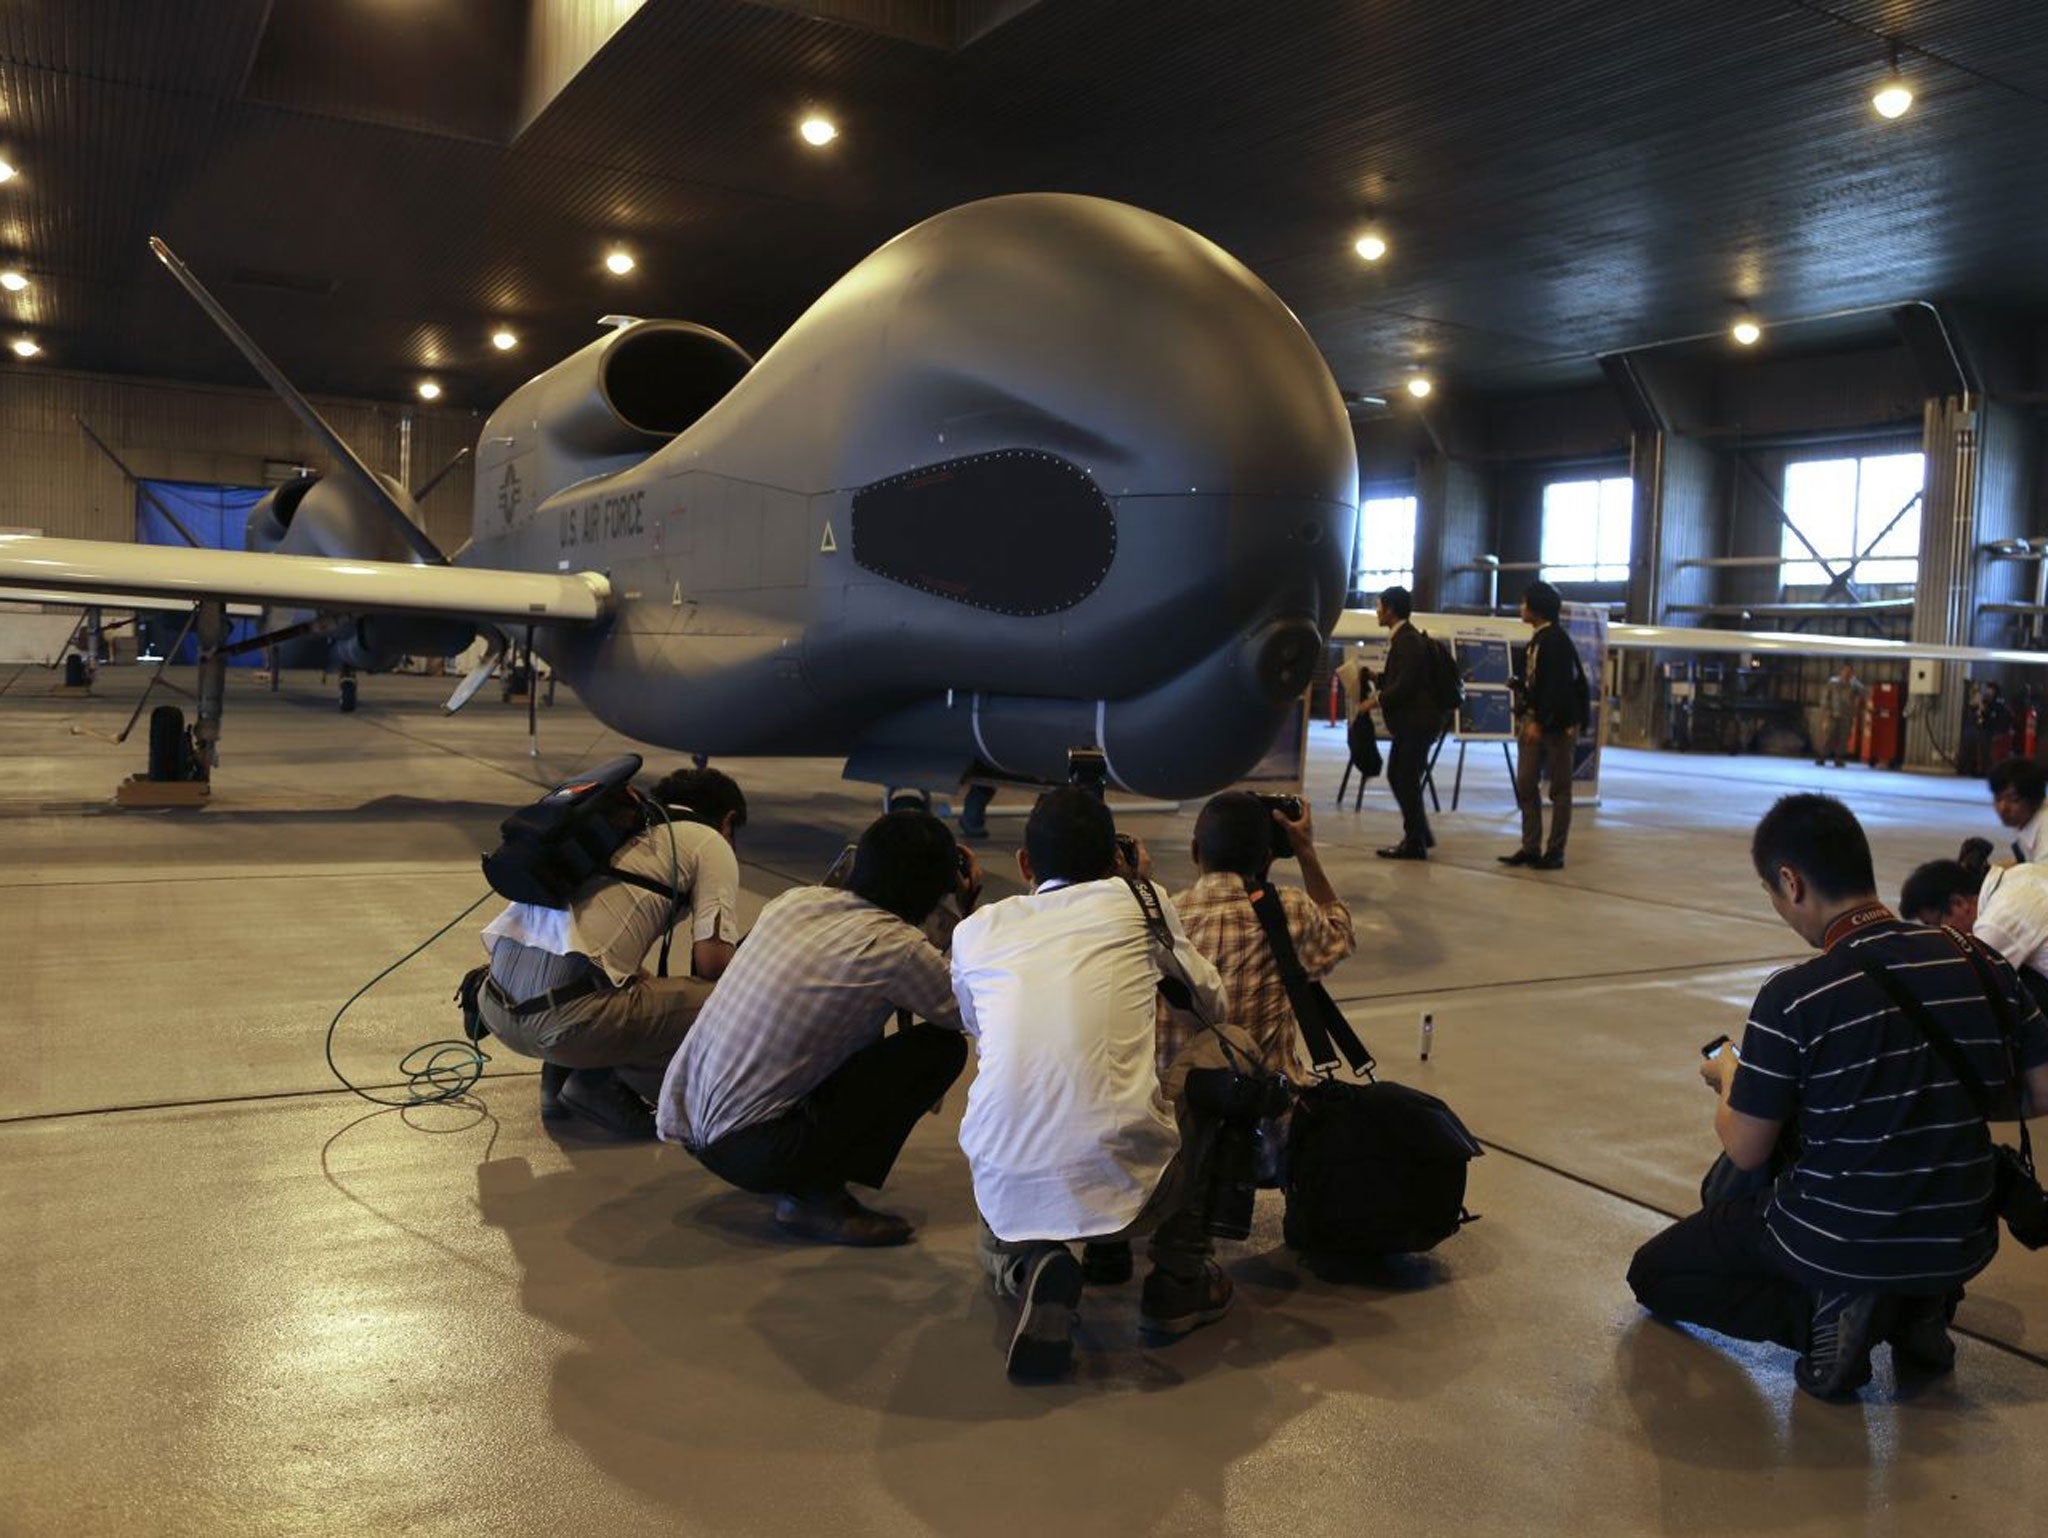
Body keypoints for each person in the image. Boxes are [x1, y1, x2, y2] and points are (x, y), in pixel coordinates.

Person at [1626, 794, 2048, 1399]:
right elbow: (2039, 1093)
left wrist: (1727, 1076)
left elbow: (1746, 1151)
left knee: (1655, 1272)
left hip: (1841, 1236)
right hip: (1962, 1234)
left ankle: (1842, 1312)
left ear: (1791, 882)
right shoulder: (1980, 961)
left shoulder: (1795, 995)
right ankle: (1922, 1303)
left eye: (1773, 895)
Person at [951, 787, 1234, 1381]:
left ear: (1026, 865)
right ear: (1115, 859)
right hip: (1137, 1194)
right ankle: (1179, 1277)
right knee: (1230, 1056)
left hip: (1004, 1184)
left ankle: (1031, 1270)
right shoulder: (1138, 900)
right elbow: (1213, 1003)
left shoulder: (977, 929)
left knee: (997, 1232)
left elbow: (976, 1026)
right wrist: (1144, 894)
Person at [659, 809, 977, 1246]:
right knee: (940, 1051)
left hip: (690, 1119)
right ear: (933, 887)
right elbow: (972, 1011)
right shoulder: (895, 948)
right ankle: (813, 1197)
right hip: (753, 1152)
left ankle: (803, 1173)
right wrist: (966, 910)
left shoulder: (797, 901)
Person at [476, 765, 746, 1139]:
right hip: (561, 1028)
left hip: (495, 1007)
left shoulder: (612, 832)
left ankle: (556, 1086)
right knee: (734, 999)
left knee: (619, 979)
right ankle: (600, 1086)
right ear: (728, 821)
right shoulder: (708, 842)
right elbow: (712, 964)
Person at [1170, 791, 1356, 1081]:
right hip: (1264, 1116)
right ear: (1267, 858)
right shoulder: (1290, 909)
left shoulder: (1162, 918)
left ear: (1195, 851)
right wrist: (1305, 851)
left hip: (1179, 1110)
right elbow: (1340, 933)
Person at [1498, 580, 1587, 870]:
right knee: (1525, 783)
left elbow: (1560, 688)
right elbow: (1541, 683)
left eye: (1525, 603)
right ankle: (1530, 846)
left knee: (1559, 789)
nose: (1521, 608)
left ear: (1536, 608)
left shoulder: (1556, 641)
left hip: (1556, 726)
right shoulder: (1537, 640)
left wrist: (1541, 721)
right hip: (1535, 720)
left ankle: (1555, 850)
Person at [1900, 840, 2048, 1012]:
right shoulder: (2022, 872)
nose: (1939, 935)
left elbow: (1961, 992)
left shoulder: (1996, 923)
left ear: (1958, 903)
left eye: (1936, 925)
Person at [1373, 584, 1438, 860]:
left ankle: (1415, 841)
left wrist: (1376, 700)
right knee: (1400, 775)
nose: (1377, 611)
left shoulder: (1408, 640)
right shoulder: (1404, 638)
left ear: (1390, 610)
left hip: (1417, 723)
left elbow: (1407, 684)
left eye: (1379, 606)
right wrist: (1374, 677)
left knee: (1405, 777)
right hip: (1412, 723)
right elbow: (1401, 678)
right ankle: (1420, 833)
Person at [1988, 756, 2048, 864]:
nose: (2003, 808)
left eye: (2014, 800)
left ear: (2035, 799)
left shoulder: (2045, 833)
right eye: (1998, 799)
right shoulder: (2027, 820)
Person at [1815, 662, 1866, 768]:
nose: (1847, 673)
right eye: (1845, 671)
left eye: (1850, 672)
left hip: (1847, 716)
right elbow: (1825, 697)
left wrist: (1856, 681)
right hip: (1834, 714)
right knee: (1829, 737)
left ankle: (1839, 759)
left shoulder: (1854, 685)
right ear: (1841, 671)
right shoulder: (1833, 682)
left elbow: (1865, 693)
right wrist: (1826, 710)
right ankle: (1822, 757)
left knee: (1844, 738)